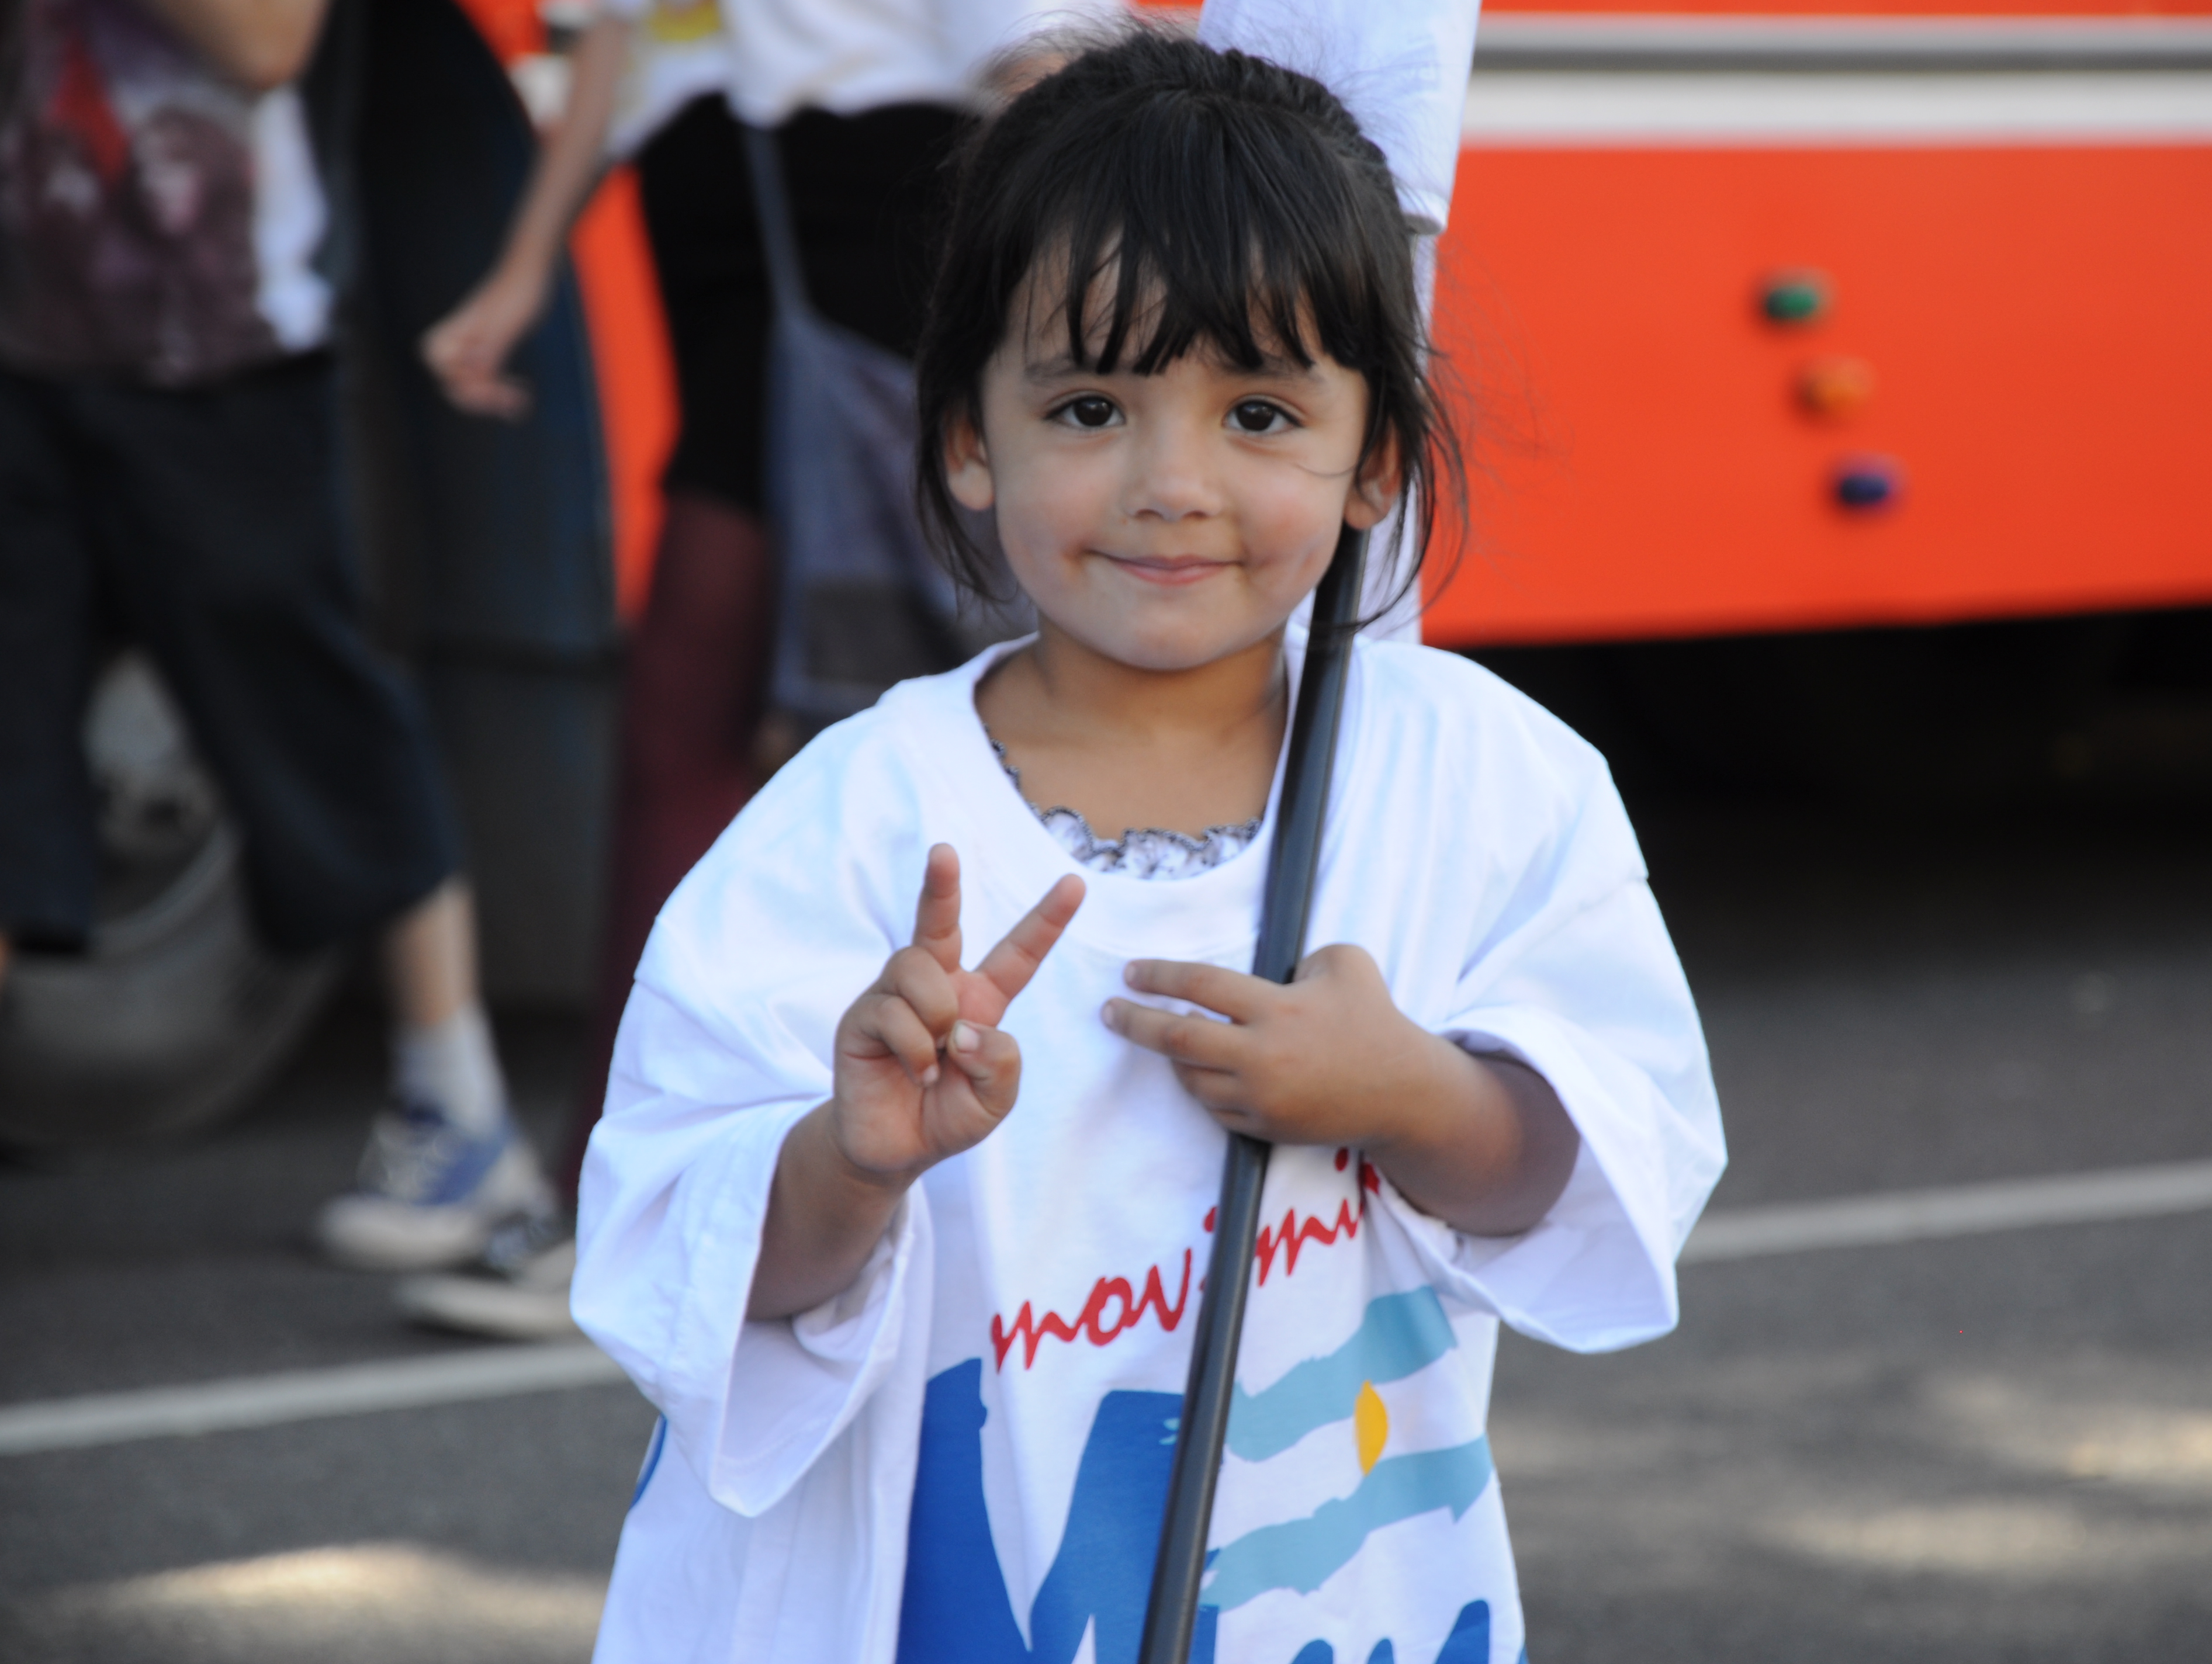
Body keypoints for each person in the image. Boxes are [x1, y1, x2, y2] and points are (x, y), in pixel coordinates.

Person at [571, 29, 1726, 1664]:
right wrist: (850, 1158)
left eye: (1257, 411)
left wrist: (1412, 1094)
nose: (1171, 483)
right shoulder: (848, 820)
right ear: (966, 438)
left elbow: (1602, 1162)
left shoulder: (1477, 783)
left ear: (1374, 461)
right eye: (1090, 405)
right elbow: (689, 1261)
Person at [397, 0, 1119, 1339]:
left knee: (748, 726)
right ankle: (657, 1185)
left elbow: (1037, 61)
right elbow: (618, 46)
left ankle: (635, 1193)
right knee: (735, 730)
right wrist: (520, 273)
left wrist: (1080, 317)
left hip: (866, 225)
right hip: (730, 232)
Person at [0, 0, 549, 1266]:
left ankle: (460, 1119)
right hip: (29, 357)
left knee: (327, 722)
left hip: (223, 350)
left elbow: (269, 42)